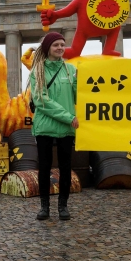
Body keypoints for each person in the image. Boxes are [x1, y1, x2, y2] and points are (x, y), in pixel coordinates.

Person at [27, 31, 78, 221]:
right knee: (45, 167)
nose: (60, 48)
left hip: (66, 127)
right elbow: (41, 101)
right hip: (46, 126)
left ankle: (63, 206)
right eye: (56, 45)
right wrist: (68, 117)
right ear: (48, 47)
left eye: (62, 45)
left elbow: (78, 95)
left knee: (66, 167)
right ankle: (44, 206)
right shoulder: (37, 70)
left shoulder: (71, 70)